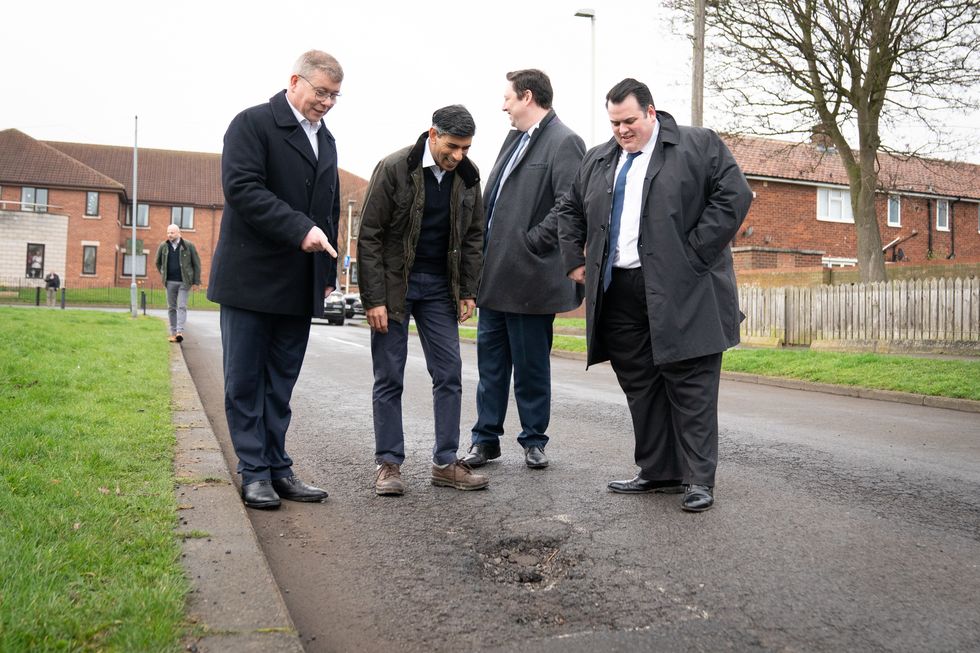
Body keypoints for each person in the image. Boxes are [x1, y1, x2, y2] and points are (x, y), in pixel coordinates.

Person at [556, 78, 752, 512]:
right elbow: (568, 206)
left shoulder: (697, 146)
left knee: (691, 384)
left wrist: (694, 253)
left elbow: (735, 195)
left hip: (684, 287)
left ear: (651, 112)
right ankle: (659, 471)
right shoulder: (599, 158)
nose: (622, 130)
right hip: (620, 290)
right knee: (641, 385)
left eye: (628, 121)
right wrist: (575, 259)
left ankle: (699, 479)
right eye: (613, 123)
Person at [207, 50, 342, 510]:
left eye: (334, 96)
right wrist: (299, 230)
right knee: (245, 380)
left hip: (299, 282)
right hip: (250, 279)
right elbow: (243, 189)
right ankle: (254, 471)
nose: (326, 103)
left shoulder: (327, 140)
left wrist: (325, 274)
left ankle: (278, 466)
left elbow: (329, 210)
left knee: (280, 382)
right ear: (294, 81)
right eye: (320, 92)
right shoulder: (252, 124)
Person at [358, 105, 488, 497]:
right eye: (452, 146)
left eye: (466, 148)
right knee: (389, 375)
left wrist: (468, 289)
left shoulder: (468, 177)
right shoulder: (394, 168)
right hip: (395, 286)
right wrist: (374, 298)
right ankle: (389, 465)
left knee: (449, 373)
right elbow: (369, 236)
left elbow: (474, 237)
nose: (458, 156)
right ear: (432, 135)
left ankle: (446, 462)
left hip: (438, 289)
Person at [461, 69, 585, 471]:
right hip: (495, 277)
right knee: (490, 367)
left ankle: (534, 440)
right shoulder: (514, 138)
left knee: (531, 367)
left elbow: (571, 202)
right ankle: (485, 440)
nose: (504, 105)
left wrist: (534, 241)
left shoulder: (564, 141)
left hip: (530, 276)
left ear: (528, 97)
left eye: (509, 98)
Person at [154, 224, 201, 342]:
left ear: (179, 233)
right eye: (168, 232)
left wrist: (195, 280)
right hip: (169, 282)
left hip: (184, 282)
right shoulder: (163, 246)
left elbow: (196, 263)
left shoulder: (188, 245)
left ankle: (179, 331)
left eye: (172, 233)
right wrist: (164, 273)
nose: (169, 235)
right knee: (171, 308)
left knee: (181, 306)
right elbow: (157, 262)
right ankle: (173, 332)